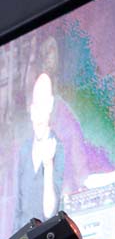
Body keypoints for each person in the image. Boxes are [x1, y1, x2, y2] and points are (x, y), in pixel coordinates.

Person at [14, 72, 64, 230]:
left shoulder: (59, 148)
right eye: (36, 104)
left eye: (43, 103)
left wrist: (48, 166)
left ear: (50, 105)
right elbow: (18, 207)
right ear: (31, 109)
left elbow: (50, 212)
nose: (39, 112)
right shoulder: (24, 150)